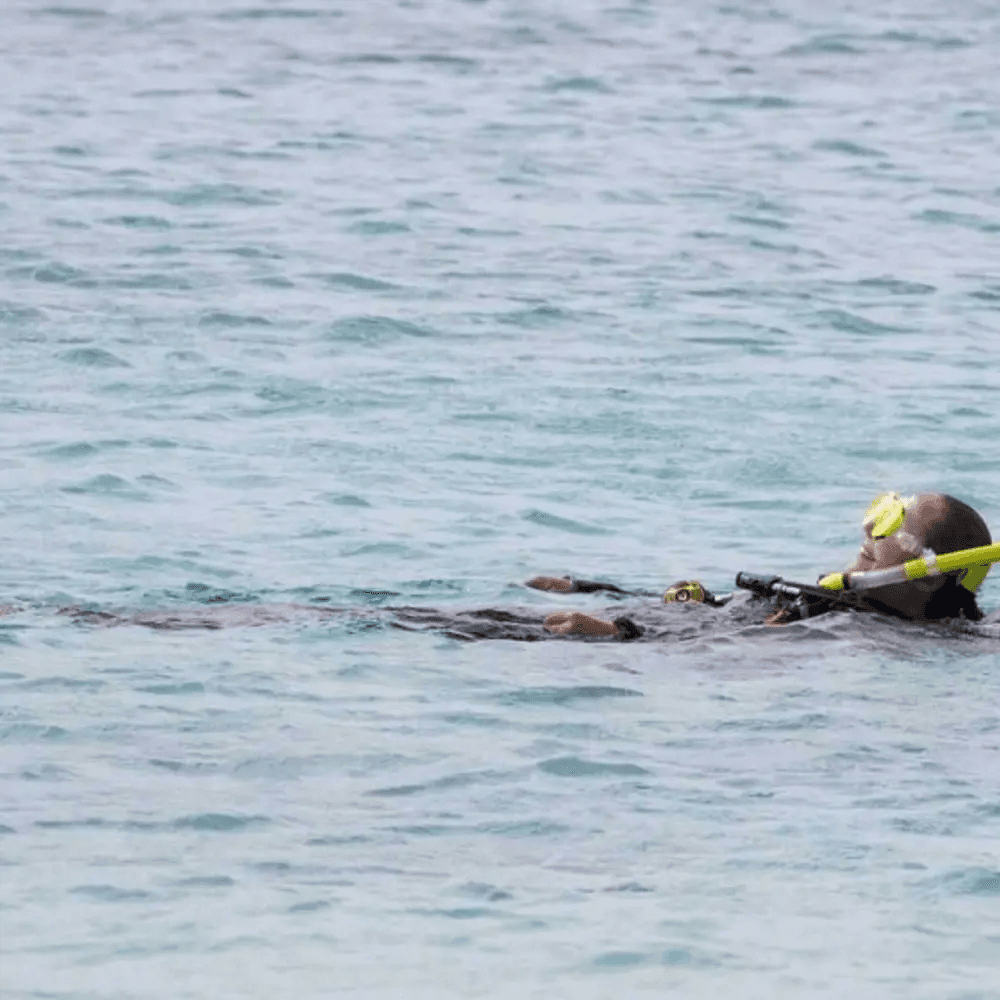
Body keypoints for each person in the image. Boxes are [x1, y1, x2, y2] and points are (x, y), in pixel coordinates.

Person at [526, 491, 993, 639]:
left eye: (893, 522)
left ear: (935, 569)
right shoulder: (832, 604)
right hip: (649, 620)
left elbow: (734, 665)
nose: (870, 530)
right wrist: (594, 588)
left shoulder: (856, 630)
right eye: (878, 512)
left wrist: (613, 634)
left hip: (632, 639)